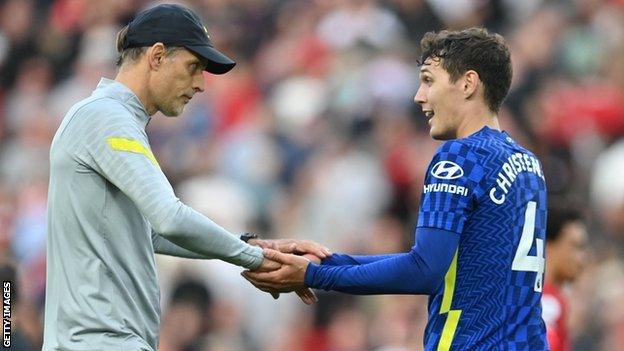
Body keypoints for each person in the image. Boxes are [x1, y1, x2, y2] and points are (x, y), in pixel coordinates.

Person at [244, 27, 549, 350]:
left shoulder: (461, 157)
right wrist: (323, 263)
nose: (419, 96)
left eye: (429, 80)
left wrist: (314, 276)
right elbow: (457, 264)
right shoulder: (528, 164)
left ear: (468, 83)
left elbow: (424, 270)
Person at [42, 4, 325, 351]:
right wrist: (256, 260)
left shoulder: (110, 118)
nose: (200, 85)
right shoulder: (106, 117)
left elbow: (150, 232)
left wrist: (249, 245)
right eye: (193, 67)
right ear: (157, 56)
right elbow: (170, 218)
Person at [542, 205, 588, 351]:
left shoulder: (554, 298)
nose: (582, 258)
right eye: (575, 246)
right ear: (549, 245)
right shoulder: (548, 304)